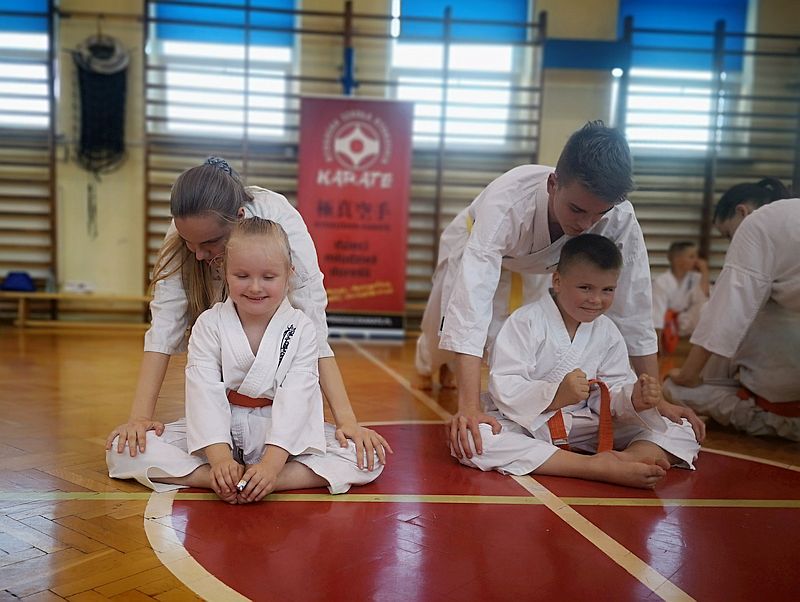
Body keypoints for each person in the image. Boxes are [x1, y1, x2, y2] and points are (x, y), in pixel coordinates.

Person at [414, 121, 703, 455]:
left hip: (544, 263)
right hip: (474, 241)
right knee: (442, 328)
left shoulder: (620, 216)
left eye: (599, 213)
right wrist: (468, 407)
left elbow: (634, 307)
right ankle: (427, 362)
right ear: (553, 184)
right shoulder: (509, 202)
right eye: (576, 209)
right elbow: (470, 306)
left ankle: (469, 379)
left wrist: (657, 399)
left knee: (507, 339)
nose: (585, 223)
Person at [106, 158, 389, 471]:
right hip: (219, 429)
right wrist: (140, 419)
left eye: (210, 243)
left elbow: (315, 332)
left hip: (277, 429)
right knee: (124, 451)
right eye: (189, 243)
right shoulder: (192, 242)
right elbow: (164, 327)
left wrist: (346, 421)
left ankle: (269, 477)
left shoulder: (282, 225)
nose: (197, 254)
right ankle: (215, 476)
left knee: (364, 457)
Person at [456, 234, 699, 488]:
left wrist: (633, 398)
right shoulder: (524, 322)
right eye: (585, 288)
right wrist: (556, 395)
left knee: (680, 427)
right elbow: (506, 385)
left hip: (588, 425)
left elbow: (614, 389)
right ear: (557, 281)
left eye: (607, 290)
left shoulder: (607, 331)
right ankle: (594, 467)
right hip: (532, 426)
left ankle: (629, 458)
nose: (596, 300)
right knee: (476, 440)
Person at [664, 178, 800, 441]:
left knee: (674, 388)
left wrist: (687, 375)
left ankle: (768, 419)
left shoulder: (756, 223)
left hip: (781, 409)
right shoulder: (790, 219)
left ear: (742, 212)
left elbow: (725, 316)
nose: (731, 244)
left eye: (728, 235)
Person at [651, 241, 709, 353]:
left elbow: (703, 296)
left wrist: (704, 271)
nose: (696, 261)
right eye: (691, 257)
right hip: (668, 324)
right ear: (677, 260)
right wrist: (657, 345)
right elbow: (657, 313)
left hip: (686, 321)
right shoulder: (662, 282)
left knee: (706, 305)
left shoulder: (695, 278)